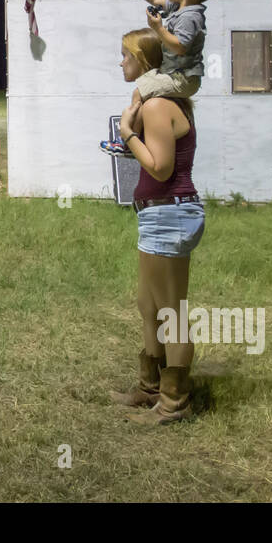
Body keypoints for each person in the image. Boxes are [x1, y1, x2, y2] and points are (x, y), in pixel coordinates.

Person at [109, 28, 205, 424]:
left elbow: (161, 168)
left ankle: (174, 403)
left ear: (145, 61)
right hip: (158, 213)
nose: (121, 62)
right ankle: (150, 387)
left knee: (171, 313)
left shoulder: (156, 106)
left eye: (126, 56)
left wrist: (128, 134)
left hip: (171, 213)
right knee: (148, 306)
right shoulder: (154, 103)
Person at [102, 0, 220, 156]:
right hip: (173, 73)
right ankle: (134, 139)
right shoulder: (179, 8)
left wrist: (157, 28)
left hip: (183, 78)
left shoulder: (190, 17)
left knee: (139, 92)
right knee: (141, 90)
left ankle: (131, 142)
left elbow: (180, 47)